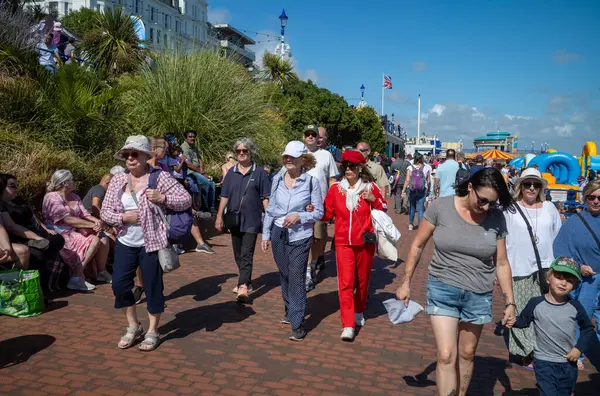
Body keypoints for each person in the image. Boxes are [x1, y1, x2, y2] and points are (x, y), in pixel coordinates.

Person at [395, 168, 516, 396]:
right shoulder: (441, 207)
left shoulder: (496, 218)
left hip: (479, 293)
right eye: (482, 200)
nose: (486, 207)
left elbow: (501, 262)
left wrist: (510, 302)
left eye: (492, 202)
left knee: (467, 353)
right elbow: (417, 245)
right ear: (470, 187)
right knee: (446, 354)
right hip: (443, 287)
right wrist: (406, 281)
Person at [101, 135, 191, 351]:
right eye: (126, 155)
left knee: (152, 287)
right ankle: (133, 326)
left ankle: (152, 330)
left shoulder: (160, 178)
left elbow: (186, 199)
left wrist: (163, 198)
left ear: (145, 156)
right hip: (125, 241)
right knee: (119, 285)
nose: (130, 158)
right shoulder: (118, 180)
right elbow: (105, 211)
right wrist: (124, 218)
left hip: (152, 242)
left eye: (134, 154)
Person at [322, 150, 387, 341]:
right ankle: (348, 324)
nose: (348, 169)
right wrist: (312, 210)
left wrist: (373, 200)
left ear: (360, 168)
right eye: (345, 166)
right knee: (345, 283)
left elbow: (384, 208)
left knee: (362, 281)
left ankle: (359, 310)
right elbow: (327, 213)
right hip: (343, 242)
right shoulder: (335, 189)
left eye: (352, 166)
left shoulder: (370, 187)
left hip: (365, 242)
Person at [261, 141, 323, 341]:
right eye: (285, 156)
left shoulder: (311, 182)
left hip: (300, 235)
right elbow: (270, 209)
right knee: (285, 273)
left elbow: (319, 212)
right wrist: (265, 234)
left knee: (296, 276)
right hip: (279, 232)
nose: (287, 159)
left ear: (302, 159)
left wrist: (300, 216)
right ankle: (289, 309)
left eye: (292, 156)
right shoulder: (277, 178)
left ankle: (298, 323)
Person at [504, 168, 562, 368]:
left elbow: (558, 236)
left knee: (544, 312)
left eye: (536, 184)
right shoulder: (510, 209)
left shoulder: (549, 208)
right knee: (521, 313)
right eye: (527, 184)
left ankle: (542, 349)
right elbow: (503, 240)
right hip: (518, 268)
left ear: (541, 187)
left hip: (546, 269)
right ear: (520, 185)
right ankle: (528, 352)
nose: (531, 188)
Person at [513, 257, 595, 396]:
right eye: (559, 277)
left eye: (569, 281)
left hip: (568, 362)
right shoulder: (535, 303)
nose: (563, 283)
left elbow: (587, 329)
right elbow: (523, 321)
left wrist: (578, 349)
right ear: (548, 279)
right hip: (544, 361)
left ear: (574, 286)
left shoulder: (575, 306)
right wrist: (510, 320)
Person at [215, 138, 271, 302]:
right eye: (238, 151)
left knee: (246, 254)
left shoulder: (259, 172)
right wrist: (219, 216)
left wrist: (269, 218)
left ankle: (243, 286)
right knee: (238, 254)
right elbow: (224, 196)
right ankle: (246, 279)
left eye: (244, 151)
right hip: (234, 219)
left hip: (252, 220)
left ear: (250, 152)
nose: (241, 153)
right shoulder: (231, 172)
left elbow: (265, 197)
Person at [553, 179, 600, 370]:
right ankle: (576, 352)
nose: (596, 201)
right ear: (585, 198)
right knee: (583, 318)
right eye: (592, 197)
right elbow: (560, 251)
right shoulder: (573, 223)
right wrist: (578, 267)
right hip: (588, 281)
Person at [43, 170, 111, 291]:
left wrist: (97, 222)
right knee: (95, 240)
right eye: (72, 180)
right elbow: (67, 219)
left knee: (104, 238)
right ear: (65, 183)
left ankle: (100, 272)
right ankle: (76, 277)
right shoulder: (51, 197)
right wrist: (91, 225)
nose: (75, 182)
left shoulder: (75, 196)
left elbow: (85, 214)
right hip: (60, 233)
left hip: (73, 231)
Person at [0, 174, 65, 291]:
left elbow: (33, 217)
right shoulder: (3, 205)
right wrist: (36, 238)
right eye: (12, 186)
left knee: (57, 240)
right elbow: (10, 227)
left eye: (16, 185)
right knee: (35, 252)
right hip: (21, 237)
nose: (16, 188)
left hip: (32, 232)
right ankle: (22, 289)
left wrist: (45, 230)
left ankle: (37, 288)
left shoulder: (19, 200)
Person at [304, 125, 338, 291]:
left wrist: (333, 203)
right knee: (304, 238)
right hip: (300, 205)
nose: (311, 137)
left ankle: (313, 264)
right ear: (303, 136)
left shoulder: (326, 156)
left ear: (318, 137)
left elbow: (332, 180)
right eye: (307, 134)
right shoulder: (298, 153)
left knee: (318, 238)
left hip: (320, 205)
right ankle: (306, 270)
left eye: (313, 134)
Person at [181, 130, 216, 213]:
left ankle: (212, 206)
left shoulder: (194, 147)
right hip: (190, 172)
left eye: (193, 137)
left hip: (198, 171)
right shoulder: (184, 147)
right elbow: (188, 164)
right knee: (206, 183)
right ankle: (205, 207)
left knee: (212, 183)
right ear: (185, 138)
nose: (192, 138)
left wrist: (202, 170)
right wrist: (202, 173)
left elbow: (200, 160)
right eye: (190, 137)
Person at [401, 153, 430, 231]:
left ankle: (410, 224)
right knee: (420, 208)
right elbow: (428, 181)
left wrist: (403, 190)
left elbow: (407, 180)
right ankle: (420, 226)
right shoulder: (427, 167)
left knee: (412, 207)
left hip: (412, 189)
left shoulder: (410, 167)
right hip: (422, 189)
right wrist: (429, 189)